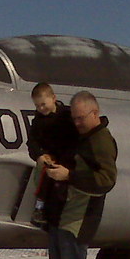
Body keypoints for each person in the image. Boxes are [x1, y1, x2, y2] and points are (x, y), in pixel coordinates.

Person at [43, 91, 118, 259]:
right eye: (73, 118)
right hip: (62, 214)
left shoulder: (101, 141)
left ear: (95, 114)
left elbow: (106, 180)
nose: (76, 123)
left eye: (80, 118)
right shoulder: (83, 137)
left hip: (79, 218)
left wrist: (69, 175)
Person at [26, 83, 78, 228]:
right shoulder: (38, 121)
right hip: (51, 158)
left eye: (43, 104)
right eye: (37, 106)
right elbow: (32, 141)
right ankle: (40, 208)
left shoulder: (67, 116)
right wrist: (40, 155)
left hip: (68, 157)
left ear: (53, 98)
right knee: (45, 178)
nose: (41, 109)